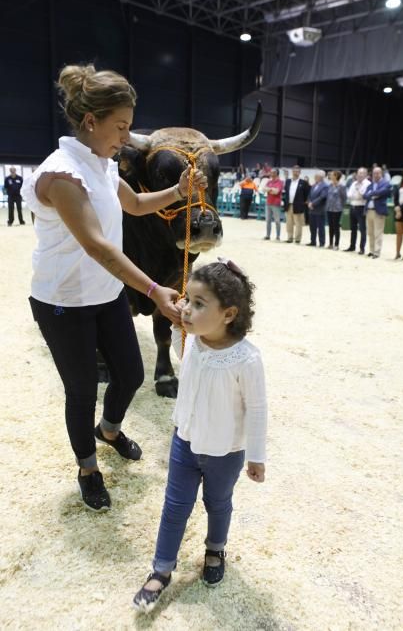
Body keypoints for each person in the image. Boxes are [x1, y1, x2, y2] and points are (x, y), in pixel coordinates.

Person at [22, 63, 206, 512]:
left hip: (104, 296)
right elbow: (98, 246)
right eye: (120, 126)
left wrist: (180, 191)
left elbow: (138, 204)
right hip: (63, 301)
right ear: (91, 121)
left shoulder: (102, 165)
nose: (125, 138)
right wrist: (154, 290)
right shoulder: (62, 174)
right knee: (82, 389)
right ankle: (88, 468)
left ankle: (108, 430)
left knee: (132, 374)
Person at [133, 260, 267, 611]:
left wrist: (256, 456)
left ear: (229, 314)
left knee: (217, 503)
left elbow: (257, 409)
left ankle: (214, 548)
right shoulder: (189, 341)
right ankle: (161, 570)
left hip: (225, 452)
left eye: (198, 303)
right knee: (174, 507)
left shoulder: (247, 360)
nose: (187, 310)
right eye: (187, 300)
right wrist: (179, 310)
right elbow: (176, 317)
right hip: (184, 443)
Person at [363, 166, 392, 259]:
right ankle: (371, 250)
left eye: (377, 173)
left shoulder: (386, 183)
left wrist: (371, 194)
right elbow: (364, 196)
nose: (375, 175)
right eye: (374, 173)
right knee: (370, 232)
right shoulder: (370, 185)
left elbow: (381, 192)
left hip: (378, 211)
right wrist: (373, 194)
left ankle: (377, 252)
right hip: (369, 211)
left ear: (381, 173)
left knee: (378, 232)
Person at [344, 167, 370, 254]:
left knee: (362, 229)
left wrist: (357, 194)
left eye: (362, 173)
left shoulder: (367, 183)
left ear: (366, 174)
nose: (360, 175)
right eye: (359, 173)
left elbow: (362, 195)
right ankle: (352, 246)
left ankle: (362, 248)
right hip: (353, 207)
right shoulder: (354, 183)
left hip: (361, 208)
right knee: (353, 228)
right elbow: (349, 195)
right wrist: (357, 194)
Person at [283, 165, 309, 243]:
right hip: (288, 205)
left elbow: (306, 194)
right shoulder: (288, 181)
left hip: (298, 205)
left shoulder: (303, 182)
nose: (295, 172)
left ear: (300, 172)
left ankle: (297, 239)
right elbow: (286, 193)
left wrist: (302, 203)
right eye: (294, 171)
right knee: (289, 223)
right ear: (292, 172)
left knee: (298, 223)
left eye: (297, 171)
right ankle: (289, 238)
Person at [325, 170, 347, 250]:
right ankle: (330, 243)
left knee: (336, 226)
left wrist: (341, 205)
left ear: (336, 176)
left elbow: (344, 198)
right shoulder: (330, 185)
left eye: (332, 175)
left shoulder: (341, 186)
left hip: (337, 209)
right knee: (330, 226)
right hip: (329, 208)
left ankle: (336, 244)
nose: (330, 176)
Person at [306, 170, 328, 247]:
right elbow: (309, 195)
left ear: (321, 177)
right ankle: (313, 241)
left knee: (320, 227)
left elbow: (322, 197)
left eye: (317, 176)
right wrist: (309, 202)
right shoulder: (313, 185)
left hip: (319, 209)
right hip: (311, 209)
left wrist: (313, 203)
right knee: (312, 226)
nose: (315, 177)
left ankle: (322, 242)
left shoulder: (325, 186)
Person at [263, 168, 284, 241]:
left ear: (276, 173)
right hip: (268, 203)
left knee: (277, 221)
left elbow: (276, 192)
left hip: (276, 203)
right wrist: (272, 189)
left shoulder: (280, 182)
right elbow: (264, 189)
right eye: (271, 172)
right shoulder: (269, 181)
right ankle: (268, 235)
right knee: (268, 220)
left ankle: (278, 236)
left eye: (273, 172)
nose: (271, 174)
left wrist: (269, 189)